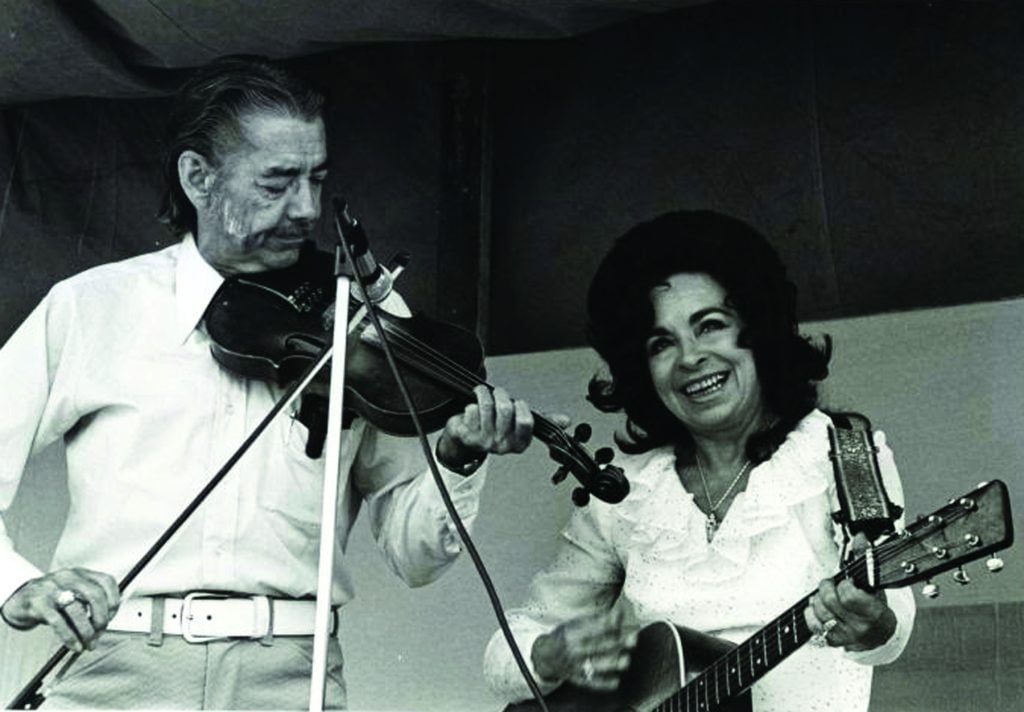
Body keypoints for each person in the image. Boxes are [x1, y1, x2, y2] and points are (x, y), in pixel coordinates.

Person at [0, 55, 537, 709]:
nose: (307, 208)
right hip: (118, 673)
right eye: (277, 183)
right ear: (198, 177)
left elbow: (413, 555)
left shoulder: (363, 319)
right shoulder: (92, 308)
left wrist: (457, 456)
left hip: (288, 679)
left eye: (315, 179)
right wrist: (15, 586)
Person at [483, 210, 916, 711]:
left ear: (757, 330)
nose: (690, 357)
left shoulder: (841, 456)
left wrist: (873, 621)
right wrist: (549, 653)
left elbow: (892, 622)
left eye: (710, 326)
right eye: (661, 343)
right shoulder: (629, 494)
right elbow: (512, 646)